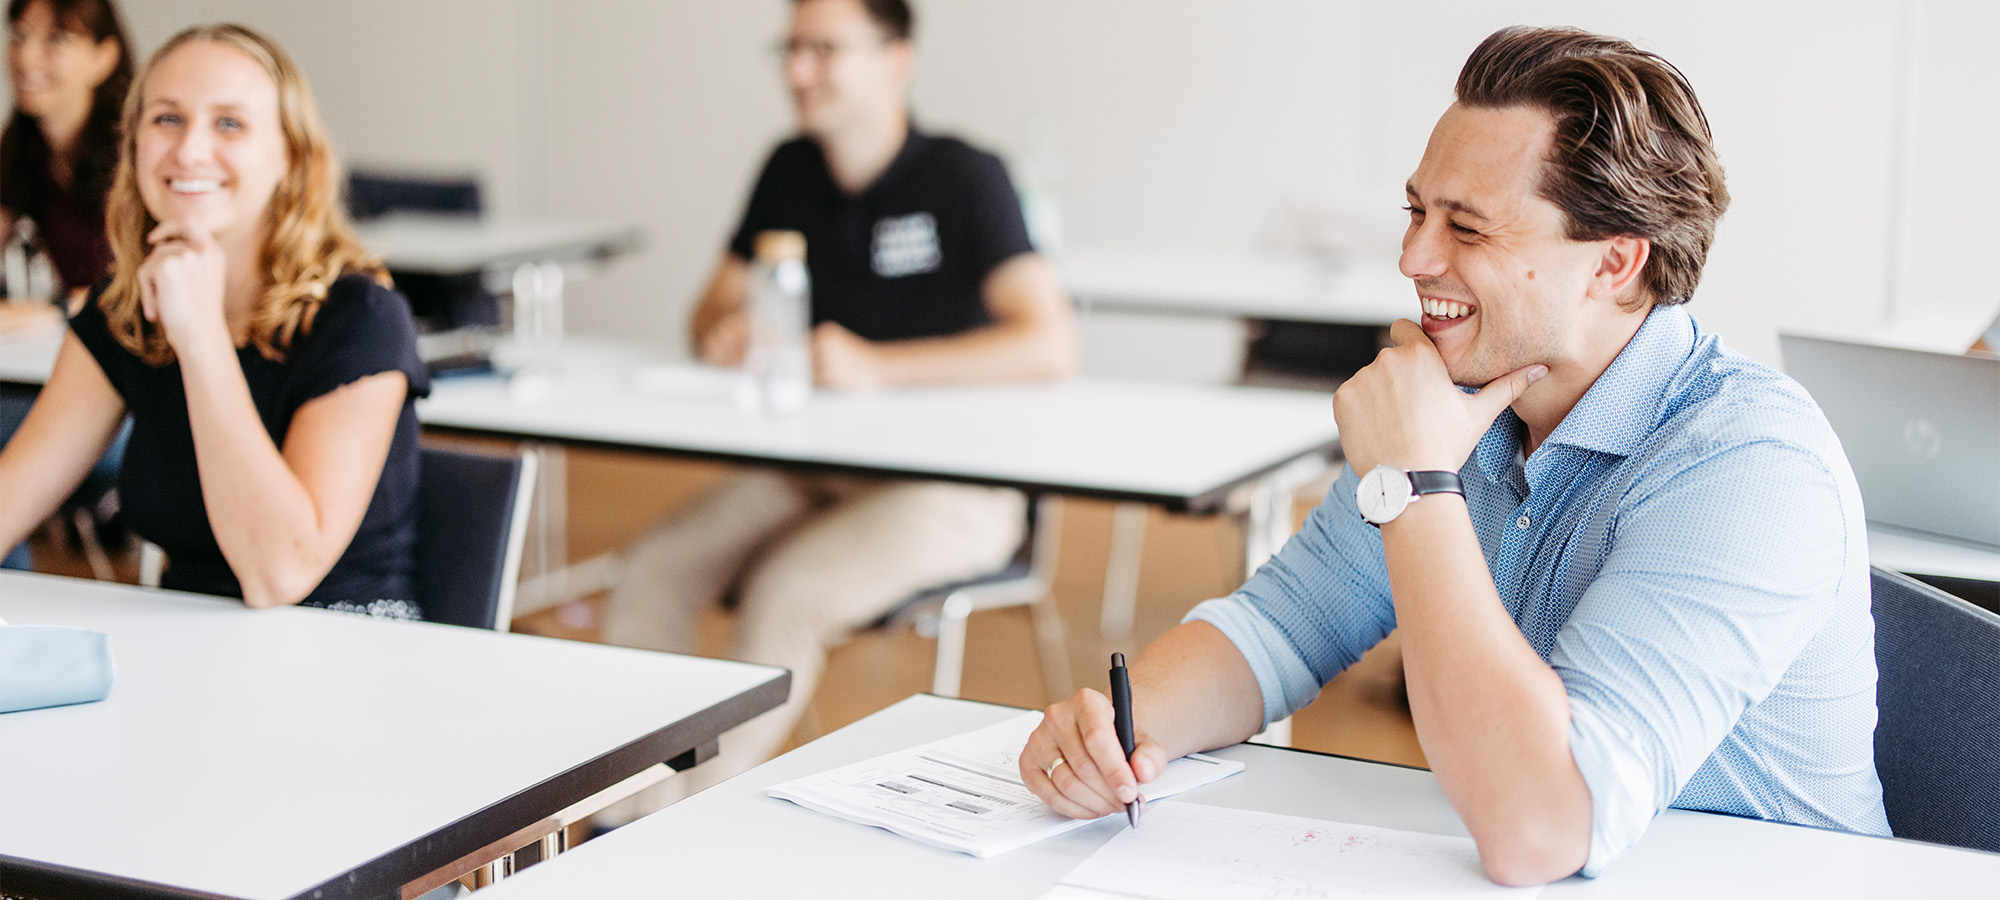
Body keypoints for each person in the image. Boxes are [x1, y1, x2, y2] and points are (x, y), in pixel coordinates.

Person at [1021, 26, 1889, 886]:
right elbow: (1280, 627)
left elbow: (1542, 829)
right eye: (1416, 212)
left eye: (1467, 229)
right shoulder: (1469, 398)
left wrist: (1416, 481)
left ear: (1615, 263)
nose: (1412, 258)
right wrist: (1122, 736)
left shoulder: (1751, 466)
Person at [600, 0, 1076, 818]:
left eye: (824, 49)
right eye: (789, 49)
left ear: (896, 60)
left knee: (787, 592)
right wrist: (728, 332)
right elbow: (705, 315)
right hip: (816, 467)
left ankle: (673, 828)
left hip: (954, 486)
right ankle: (621, 805)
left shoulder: (965, 178)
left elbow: (1049, 344)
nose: (798, 71)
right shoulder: (789, 169)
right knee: (652, 569)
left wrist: (878, 367)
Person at [0, 23, 430, 615]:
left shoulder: (362, 318)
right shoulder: (125, 310)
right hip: (188, 650)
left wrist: (199, 333)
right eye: (166, 119)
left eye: (229, 123)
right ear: (132, 147)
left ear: (290, 157)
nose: (189, 150)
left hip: (345, 655)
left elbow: (277, 575)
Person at [0, 0, 130, 570]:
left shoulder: (137, 157)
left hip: (123, 403)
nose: (26, 57)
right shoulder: (20, 150)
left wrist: (47, 310)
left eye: (55, 41)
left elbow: (132, 291)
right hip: (45, 381)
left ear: (104, 58)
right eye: (20, 35)